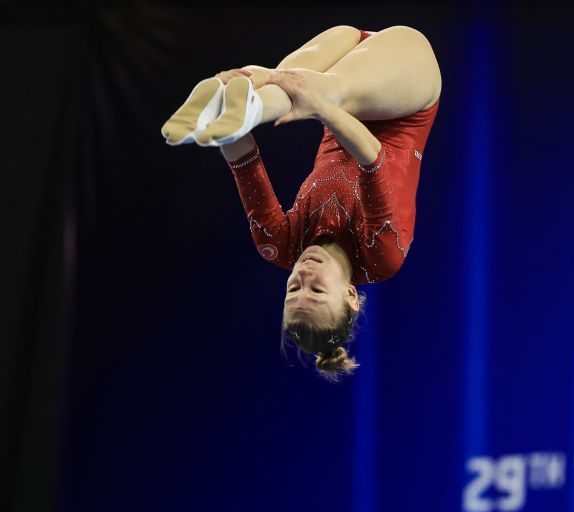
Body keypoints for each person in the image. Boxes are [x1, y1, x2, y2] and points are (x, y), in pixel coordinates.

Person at [161, 25, 441, 380]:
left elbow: (244, 162)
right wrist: (321, 108)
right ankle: (254, 100)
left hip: (347, 48)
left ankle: (236, 97)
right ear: (351, 296)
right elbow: (373, 159)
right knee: (324, 93)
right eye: (317, 288)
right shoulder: (380, 257)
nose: (304, 274)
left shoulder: (279, 245)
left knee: (287, 82)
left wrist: (225, 126)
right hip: (409, 89)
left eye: (294, 287)